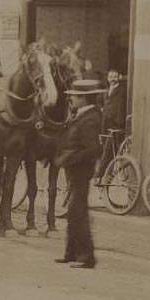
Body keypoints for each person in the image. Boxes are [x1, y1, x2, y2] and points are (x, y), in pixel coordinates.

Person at [54, 79, 105, 268]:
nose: (71, 99)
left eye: (74, 96)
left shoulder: (90, 118)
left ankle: (86, 258)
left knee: (79, 212)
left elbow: (94, 149)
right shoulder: (83, 114)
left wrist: (69, 158)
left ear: (84, 98)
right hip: (76, 171)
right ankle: (71, 254)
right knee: (75, 212)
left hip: (81, 171)